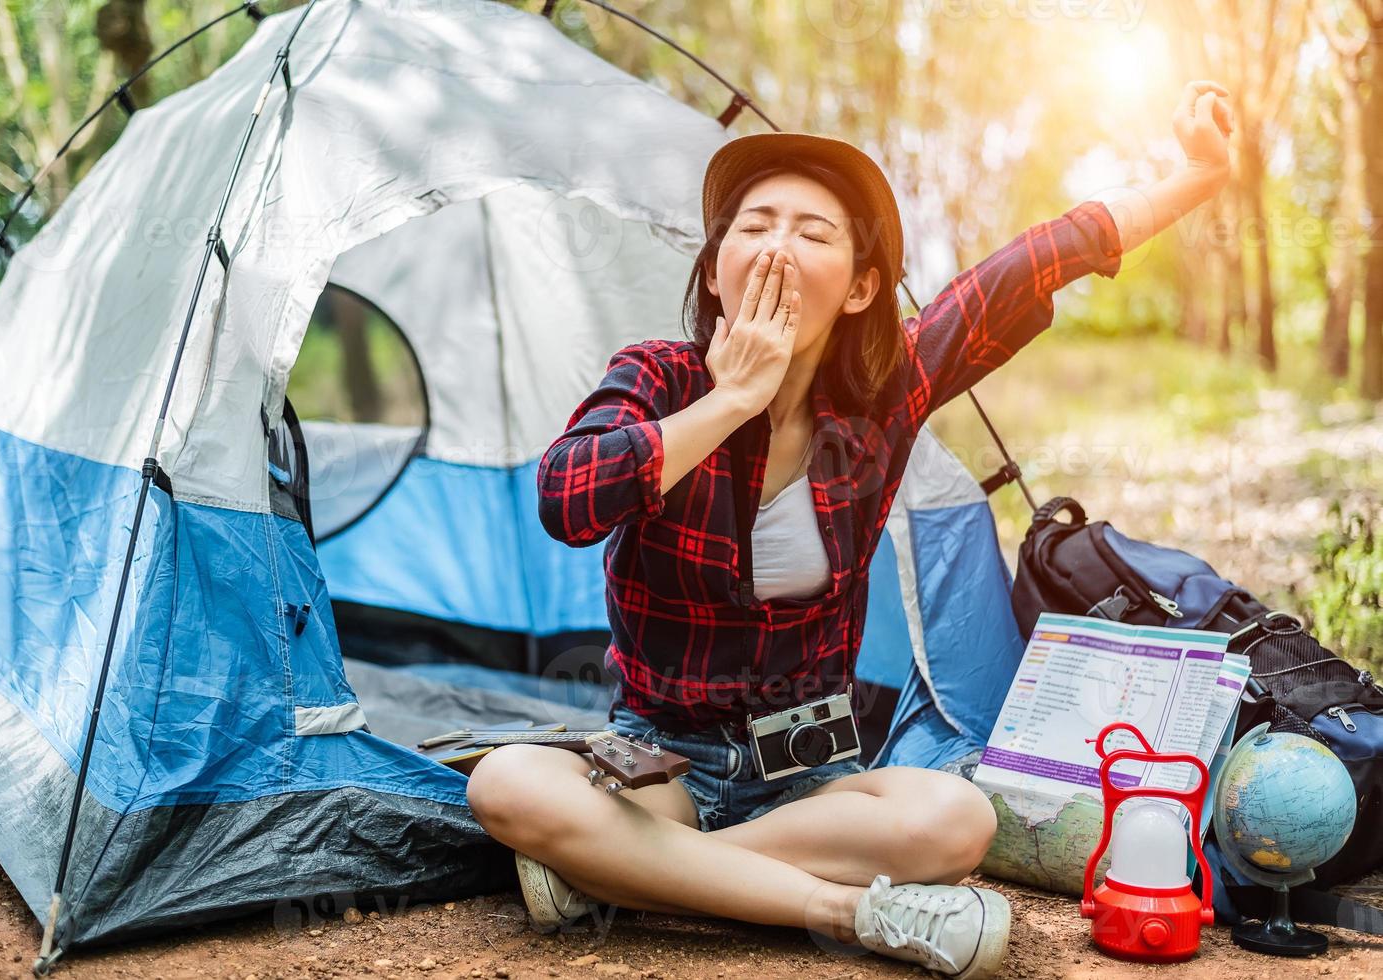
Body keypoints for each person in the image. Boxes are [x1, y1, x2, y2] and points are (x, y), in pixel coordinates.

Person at [467, 81, 1235, 979]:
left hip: (808, 781)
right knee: (505, 783)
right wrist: (731, 401)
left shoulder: (884, 399)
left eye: (813, 231)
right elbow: (567, 497)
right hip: (659, 770)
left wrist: (1196, 174)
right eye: (753, 227)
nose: (778, 247)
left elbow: (1037, 261)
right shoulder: (659, 376)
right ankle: (837, 906)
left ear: (864, 286)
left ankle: (631, 875)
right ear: (715, 271)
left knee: (959, 819)